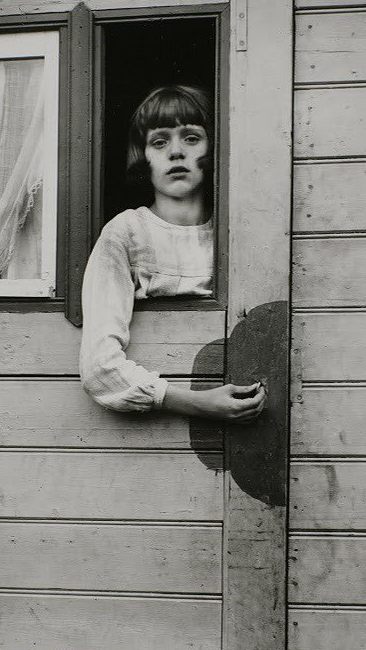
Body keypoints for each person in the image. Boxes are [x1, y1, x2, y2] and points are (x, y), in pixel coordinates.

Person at [79, 84, 266, 422]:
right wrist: (198, 403)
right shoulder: (126, 233)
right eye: (159, 141)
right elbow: (99, 367)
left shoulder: (239, 231)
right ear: (143, 156)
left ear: (214, 147)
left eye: (191, 138)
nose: (176, 152)